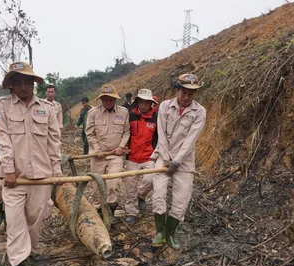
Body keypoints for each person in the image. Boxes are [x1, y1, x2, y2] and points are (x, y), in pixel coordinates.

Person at [0, 62, 62, 266]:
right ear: (11, 85)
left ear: (34, 84)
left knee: (35, 219)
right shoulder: (1, 106)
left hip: (42, 175)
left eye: (27, 82)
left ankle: (27, 254)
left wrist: (57, 169)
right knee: (14, 221)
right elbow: (1, 139)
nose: (23, 86)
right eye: (18, 82)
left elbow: (54, 142)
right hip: (14, 178)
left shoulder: (47, 108)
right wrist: (9, 169)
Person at [151, 74, 206, 249]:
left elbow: (191, 139)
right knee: (159, 194)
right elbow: (161, 133)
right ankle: (159, 232)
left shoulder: (200, 112)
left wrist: (176, 161)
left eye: (192, 93)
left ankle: (170, 233)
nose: (187, 96)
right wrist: (167, 159)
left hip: (184, 161)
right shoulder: (165, 106)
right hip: (163, 156)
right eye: (184, 92)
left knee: (181, 199)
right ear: (178, 90)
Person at [86, 84, 130, 217]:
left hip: (115, 154)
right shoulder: (93, 113)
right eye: (105, 99)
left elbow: (126, 132)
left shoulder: (123, 112)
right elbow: (90, 133)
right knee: (96, 185)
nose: (108, 102)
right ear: (101, 99)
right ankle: (98, 210)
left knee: (114, 183)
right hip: (98, 154)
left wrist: (121, 147)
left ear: (115, 99)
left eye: (111, 99)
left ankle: (111, 210)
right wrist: (97, 149)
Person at [124, 89, 158, 224]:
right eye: (141, 102)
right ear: (137, 102)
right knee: (130, 185)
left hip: (149, 156)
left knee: (150, 180)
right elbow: (125, 134)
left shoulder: (156, 117)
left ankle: (141, 195)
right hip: (132, 156)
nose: (143, 105)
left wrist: (156, 152)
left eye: (146, 102)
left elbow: (159, 137)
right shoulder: (130, 116)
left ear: (151, 103)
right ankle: (132, 212)